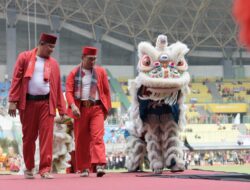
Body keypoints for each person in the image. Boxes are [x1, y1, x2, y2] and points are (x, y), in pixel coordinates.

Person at [8, 33, 66, 179]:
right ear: (41, 44)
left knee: (47, 137)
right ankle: (29, 167)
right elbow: (16, 79)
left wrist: (62, 109)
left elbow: (58, 88)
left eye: (54, 46)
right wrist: (12, 101)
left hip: (47, 104)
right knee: (28, 138)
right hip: (27, 104)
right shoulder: (24, 57)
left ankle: (45, 169)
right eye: (50, 46)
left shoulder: (54, 64)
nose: (52, 49)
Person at [66, 46, 111, 177]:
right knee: (81, 140)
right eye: (90, 59)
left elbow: (107, 91)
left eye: (94, 59)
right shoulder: (73, 73)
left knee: (97, 137)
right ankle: (84, 167)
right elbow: (68, 92)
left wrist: (106, 109)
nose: (93, 62)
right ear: (83, 58)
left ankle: (100, 164)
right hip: (80, 110)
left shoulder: (101, 72)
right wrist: (73, 106)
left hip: (97, 108)